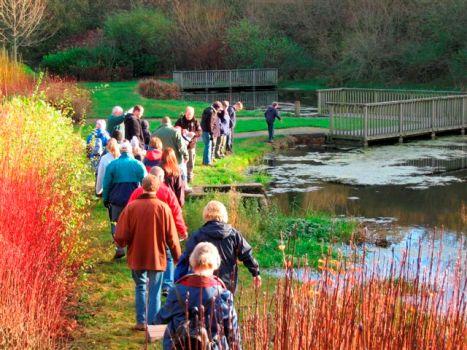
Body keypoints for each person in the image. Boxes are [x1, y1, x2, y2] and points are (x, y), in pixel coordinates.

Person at [115, 175, 181, 330]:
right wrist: (178, 257)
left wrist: (121, 244)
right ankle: (153, 325)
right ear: (157, 188)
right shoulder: (163, 208)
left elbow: (121, 236)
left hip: (137, 256)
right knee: (155, 291)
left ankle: (141, 322)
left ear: (141, 187)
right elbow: (172, 237)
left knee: (140, 287)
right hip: (157, 257)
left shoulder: (131, 207)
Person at [156, 242, 240, 350]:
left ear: (192, 261)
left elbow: (160, 318)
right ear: (215, 264)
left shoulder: (176, 291)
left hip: (178, 347)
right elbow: (233, 334)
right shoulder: (223, 295)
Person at [174, 200, 261, 293]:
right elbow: (246, 254)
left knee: (204, 304)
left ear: (206, 214)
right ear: (223, 214)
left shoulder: (197, 235)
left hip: (203, 282)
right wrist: (255, 273)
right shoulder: (233, 234)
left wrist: (178, 281)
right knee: (226, 305)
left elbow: (185, 259)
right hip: (228, 283)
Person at [128, 166, 188, 295]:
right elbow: (176, 213)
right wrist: (182, 230)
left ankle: (147, 282)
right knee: (168, 256)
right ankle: (167, 284)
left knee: (144, 257)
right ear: (160, 178)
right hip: (164, 232)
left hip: (141, 232)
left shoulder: (137, 192)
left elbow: (128, 211)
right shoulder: (167, 192)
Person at [102, 141, 147, 259]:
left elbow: (106, 184)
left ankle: (119, 247)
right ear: (130, 151)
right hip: (134, 200)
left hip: (116, 200)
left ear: (120, 151)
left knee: (116, 223)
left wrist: (105, 198)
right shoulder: (138, 164)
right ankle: (134, 248)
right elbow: (147, 183)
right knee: (134, 224)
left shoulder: (112, 165)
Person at [175, 106, 202, 183]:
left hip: (191, 145)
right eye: (187, 114)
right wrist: (181, 130)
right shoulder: (180, 120)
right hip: (181, 145)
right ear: (185, 113)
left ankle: (189, 174)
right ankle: (180, 175)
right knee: (180, 160)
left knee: (190, 160)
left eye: (190, 114)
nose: (189, 116)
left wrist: (193, 134)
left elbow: (200, 132)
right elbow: (175, 129)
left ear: (193, 114)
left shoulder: (196, 121)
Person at [200, 101, 223, 165]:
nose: (219, 110)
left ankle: (205, 161)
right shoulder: (212, 112)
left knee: (207, 146)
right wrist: (212, 133)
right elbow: (210, 124)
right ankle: (207, 162)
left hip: (204, 130)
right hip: (207, 132)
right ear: (217, 107)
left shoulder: (207, 109)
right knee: (208, 146)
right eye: (219, 108)